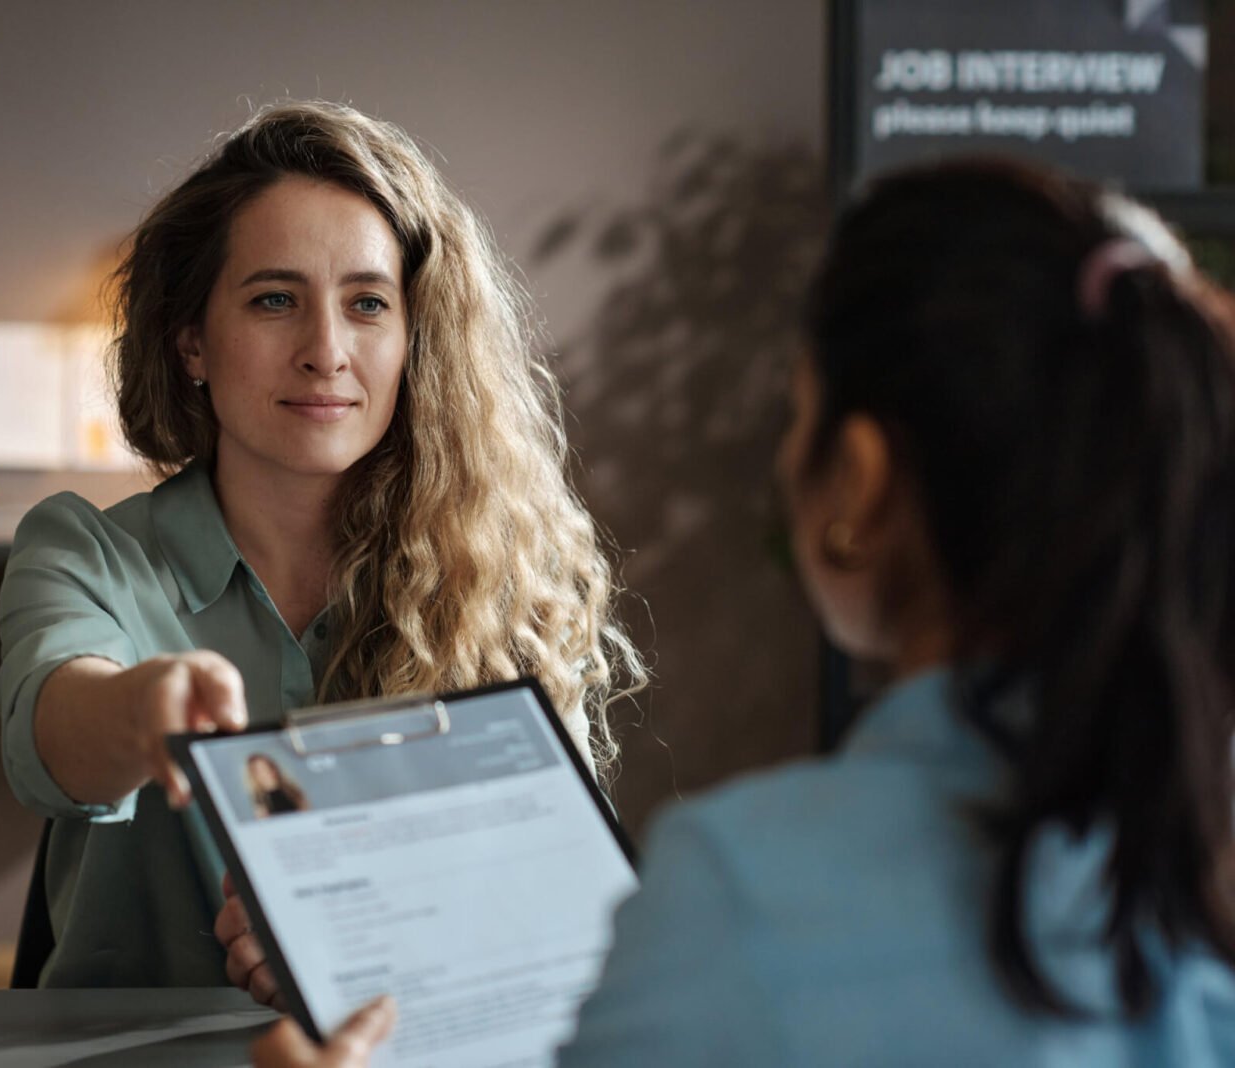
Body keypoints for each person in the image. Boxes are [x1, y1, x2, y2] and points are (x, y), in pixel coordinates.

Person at [251, 157, 1235, 1066]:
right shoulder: (1188, 873)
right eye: (274, 302)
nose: (326, 351)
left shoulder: (740, 891)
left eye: (798, 413)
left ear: (857, 483)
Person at [0, 101, 645, 990]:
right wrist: (142, 712)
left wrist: (374, 952)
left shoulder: (500, 581)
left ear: (416, 341)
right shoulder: (85, 551)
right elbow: (55, 734)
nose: (326, 352)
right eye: (274, 301)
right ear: (192, 341)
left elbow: (558, 913)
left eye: (368, 304)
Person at [244, 753, 309, 819]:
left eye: (269, 766)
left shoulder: (292, 791)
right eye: (262, 770)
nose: (268, 772)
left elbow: (307, 814)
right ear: (255, 776)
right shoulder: (259, 801)